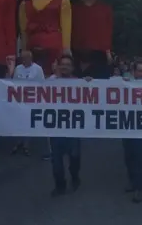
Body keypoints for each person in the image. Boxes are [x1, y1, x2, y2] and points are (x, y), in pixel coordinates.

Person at [19, 0, 72, 76]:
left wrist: (66, 49)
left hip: (55, 50)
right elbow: (23, 30)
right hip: (32, 50)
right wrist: (24, 50)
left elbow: (66, 27)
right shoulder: (25, 3)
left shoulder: (63, 0)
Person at [46, 55, 83, 196]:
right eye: (63, 64)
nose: (65, 67)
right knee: (56, 161)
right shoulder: (50, 82)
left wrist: (89, 84)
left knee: (74, 157)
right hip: (55, 128)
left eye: (68, 65)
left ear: (72, 68)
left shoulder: (78, 82)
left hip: (73, 128)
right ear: (59, 66)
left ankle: (75, 177)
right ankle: (60, 185)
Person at [71, 0, 114, 79]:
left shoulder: (105, 8)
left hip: (99, 53)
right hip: (78, 52)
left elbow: (108, 30)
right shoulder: (74, 8)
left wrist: (108, 52)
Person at [122, 61, 142, 203]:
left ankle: (139, 188)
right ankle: (132, 181)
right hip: (127, 126)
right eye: (140, 71)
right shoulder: (124, 83)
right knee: (129, 156)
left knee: (140, 157)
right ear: (133, 72)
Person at [11, 50, 45, 155]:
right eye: (22, 59)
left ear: (31, 58)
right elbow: (13, 83)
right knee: (18, 122)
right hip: (19, 100)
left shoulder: (38, 69)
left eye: (25, 58)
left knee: (28, 122)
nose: (23, 61)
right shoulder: (18, 68)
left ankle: (26, 145)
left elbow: (42, 84)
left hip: (32, 100)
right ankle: (18, 141)